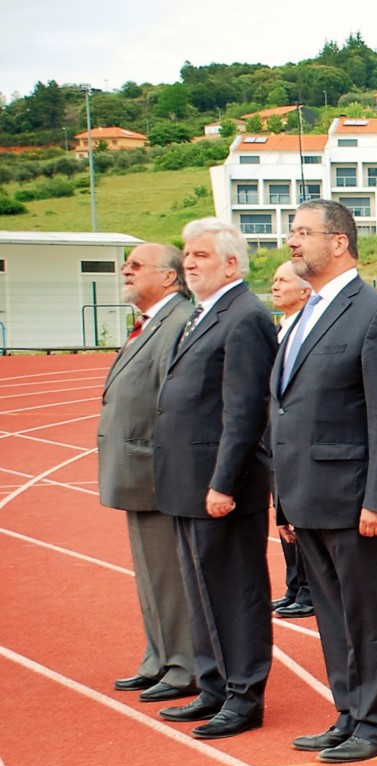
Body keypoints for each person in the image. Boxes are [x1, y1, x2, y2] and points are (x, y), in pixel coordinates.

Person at [272, 199, 377, 763]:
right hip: (308, 496)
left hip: (357, 498)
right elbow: (284, 411)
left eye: (303, 232)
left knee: (370, 616)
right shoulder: (303, 314)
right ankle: (349, 711)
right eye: (291, 232)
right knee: (332, 617)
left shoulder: (375, 312)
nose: (291, 241)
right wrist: (282, 501)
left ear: (339, 242)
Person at [152, 219, 277, 739]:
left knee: (234, 590)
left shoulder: (245, 316)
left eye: (201, 253)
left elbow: (245, 411)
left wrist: (224, 482)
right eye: (186, 252)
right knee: (202, 590)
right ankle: (213, 686)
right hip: (188, 479)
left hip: (219, 484)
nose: (190, 261)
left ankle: (244, 694)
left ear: (231, 263)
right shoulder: (205, 313)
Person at [98, 242, 197, 704]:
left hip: (158, 469)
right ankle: (160, 657)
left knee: (167, 573)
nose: (126, 270)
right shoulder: (152, 323)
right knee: (150, 572)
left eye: (137, 265)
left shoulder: (177, 323)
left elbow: (173, 404)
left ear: (170, 277)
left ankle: (183, 664)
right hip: (139, 468)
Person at [268, 262, 314, 620]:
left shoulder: (306, 331)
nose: (275, 285)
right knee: (282, 512)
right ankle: (295, 584)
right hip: (276, 439)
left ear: (305, 291)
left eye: (282, 280)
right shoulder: (279, 329)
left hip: (301, 441)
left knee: (300, 516)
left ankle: (310, 590)